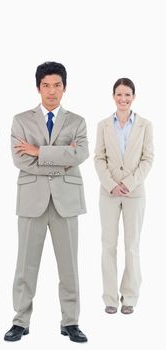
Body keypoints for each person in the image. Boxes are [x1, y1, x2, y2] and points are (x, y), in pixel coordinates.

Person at [4, 62, 88, 342]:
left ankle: (71, 321)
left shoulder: (77, 121)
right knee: (25, 264)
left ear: (65, 87)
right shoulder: (20, 120)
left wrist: (39, 150)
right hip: (31, 199)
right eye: (46, 85)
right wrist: (61, 158)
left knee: (69, 265)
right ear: (37, 87)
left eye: (57, 85)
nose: (52, 91)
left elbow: (80, 155)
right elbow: (20, 160)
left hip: (66, 200)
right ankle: (20, 320)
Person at [94, 78, 154, 315]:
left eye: (127, 95)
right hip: (108, 193)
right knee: (108, 245)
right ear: (113, 96)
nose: (123, 99)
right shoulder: (103, 125)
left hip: (134, 192)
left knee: (132, 246)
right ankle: (110, 298)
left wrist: (128, 183)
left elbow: (148, 158)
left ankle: (129, 297)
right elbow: (99, 157)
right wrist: (111, 184)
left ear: (134, 97)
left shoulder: (145, 125)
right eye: (119, 94)